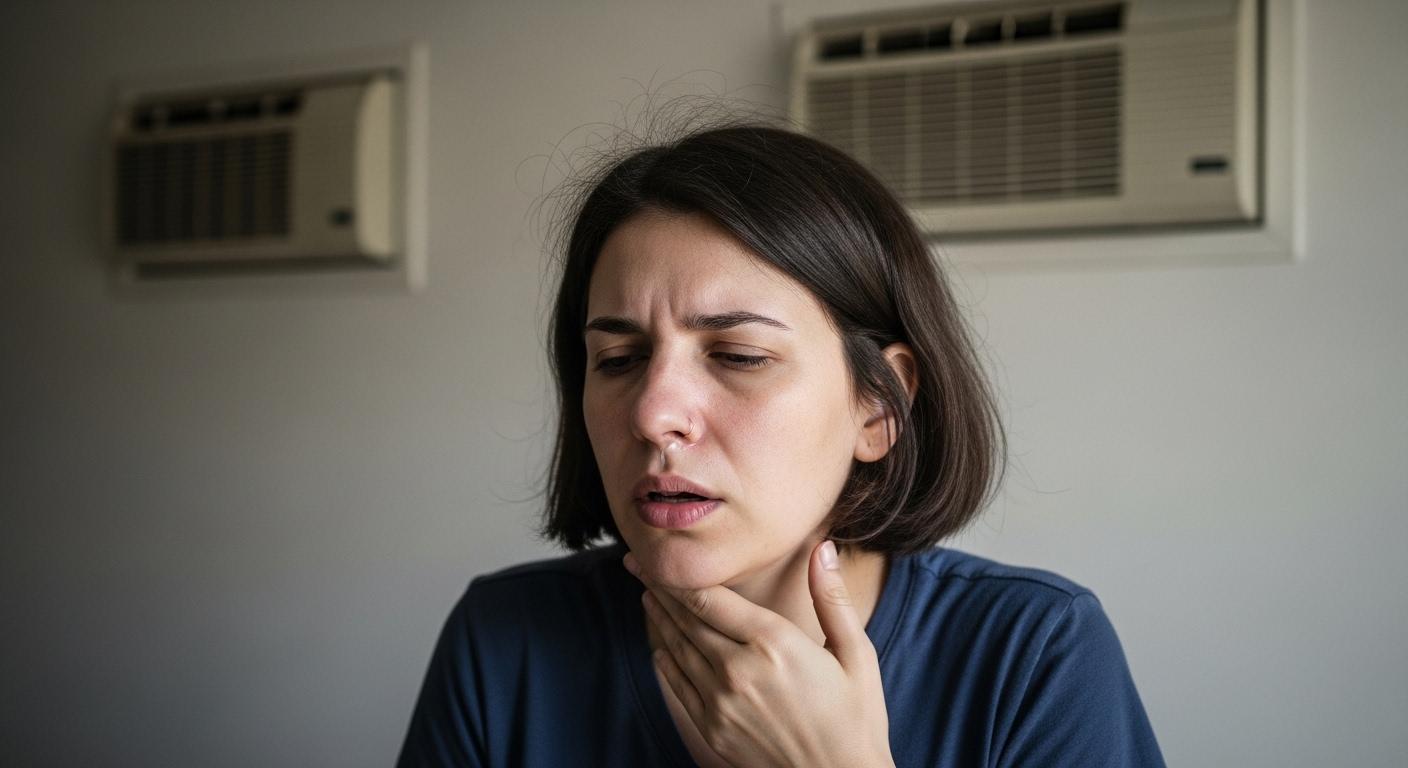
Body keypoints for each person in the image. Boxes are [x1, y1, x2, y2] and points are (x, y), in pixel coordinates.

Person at [396, 122, 1165, 767]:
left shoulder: (1035, 654)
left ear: (879, 406)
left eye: (738, 356)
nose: (653, 415)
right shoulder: (505, 640)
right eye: (619, 360)